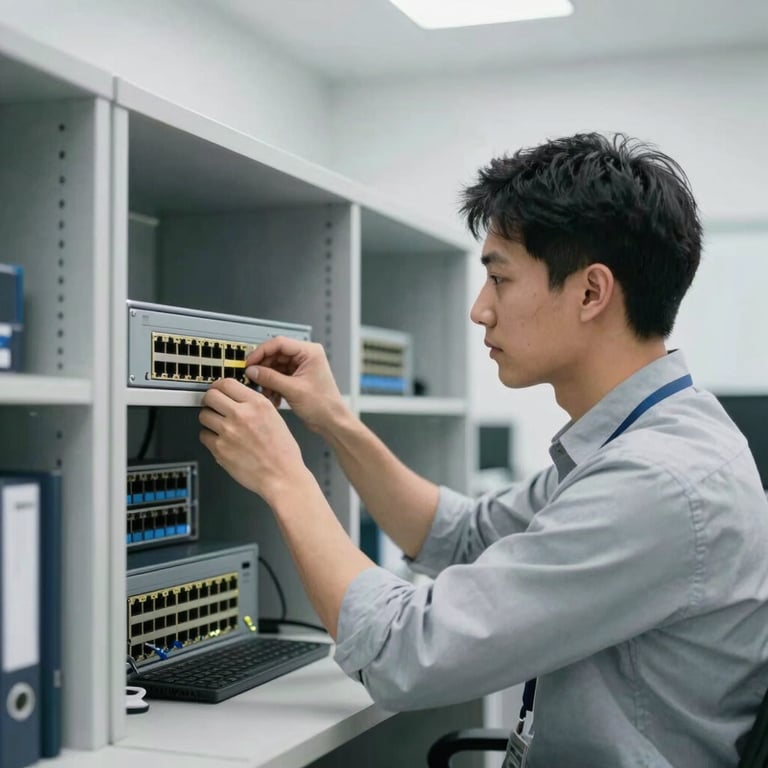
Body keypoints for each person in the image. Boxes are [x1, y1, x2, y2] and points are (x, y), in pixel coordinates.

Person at [198, 132, 768, 768]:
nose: (478, 310)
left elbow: (402, 655)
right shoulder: (644, 437)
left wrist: (284, 478)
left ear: (590, 292)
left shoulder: (658, 483)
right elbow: (461, 534)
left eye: (499, 278)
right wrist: (334, 422)